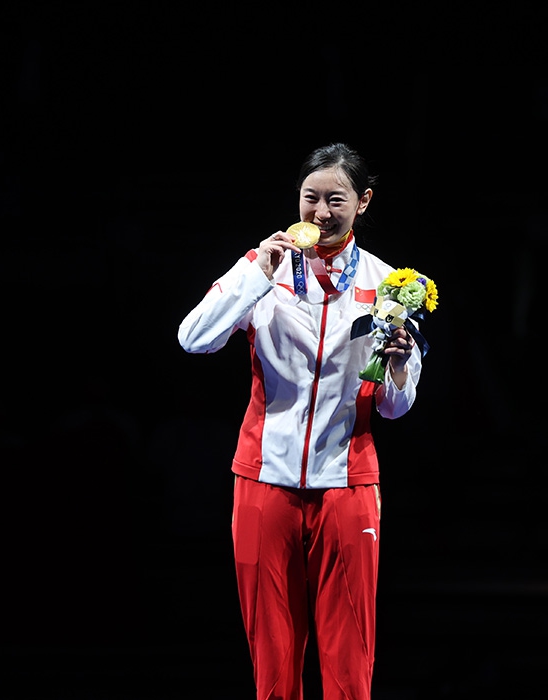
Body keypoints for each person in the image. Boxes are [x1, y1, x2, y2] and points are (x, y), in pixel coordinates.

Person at [177, 142, 424, 699]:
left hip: (348, 483)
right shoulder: (264, 269)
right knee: (272, 658)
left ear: (363, 202)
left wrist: (399, 366)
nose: (320, 212)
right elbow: (193, 339)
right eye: (311, 197)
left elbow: (395, 406)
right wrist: (255, 274)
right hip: (264, 480)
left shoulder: (391, 285)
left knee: (349, 661)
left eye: (336, 200)